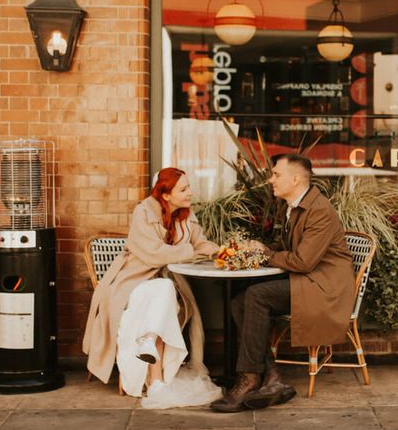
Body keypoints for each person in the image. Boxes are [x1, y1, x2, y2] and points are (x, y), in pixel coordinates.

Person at [211, 153, 355, 413]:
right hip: (308, 281)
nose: (271, 180)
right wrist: (262, 249)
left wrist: (266, 255)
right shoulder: (294, 206)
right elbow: (292, 249)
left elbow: (303, 261)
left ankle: (250, 377)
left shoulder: (319, 210)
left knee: (256, 295)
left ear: (296, 178)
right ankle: (271, 375)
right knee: (240, 299)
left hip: (324, 288)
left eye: (277, 175)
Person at [82, 168, 222, 408]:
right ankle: (153, 372)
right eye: (184, 189)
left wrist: (220, 250)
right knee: (164, 289)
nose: (190, 192)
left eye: (189, 187)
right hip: (132, 283)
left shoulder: (187, 216)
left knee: (165, 289)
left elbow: (200, 243)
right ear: (166, 195)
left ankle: (151, 348)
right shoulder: (143, 211)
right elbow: (154, 254)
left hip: (164, 285)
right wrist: (192, 251)